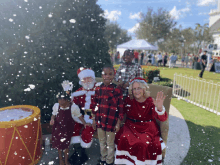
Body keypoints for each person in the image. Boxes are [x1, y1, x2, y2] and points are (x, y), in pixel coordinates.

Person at [114, 77, 168, 165]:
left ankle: (140, 162)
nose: (136, 91)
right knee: (123, 137)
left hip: (147, 127)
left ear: (143, 89)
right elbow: (121, 112)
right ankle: (127, 162)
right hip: (130, 125)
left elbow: (162, 118)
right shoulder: (129, 100)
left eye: (139, 88)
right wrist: (117, 123)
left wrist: (159, 108)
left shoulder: (150, 101)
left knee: (142, 143)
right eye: (134, 89)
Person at [50, 80, 89, 165]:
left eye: (63, 103)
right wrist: (52, 119)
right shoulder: (56, 106)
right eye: (59, 102)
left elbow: (79, 116)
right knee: (59, 145)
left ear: (68, 101)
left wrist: (85, 123)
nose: (61, 105)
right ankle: (61, 159)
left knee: (66, 145)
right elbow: (53, 114)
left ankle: (66, 160)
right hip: (58, 128)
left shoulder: (73, 107)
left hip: (67, 129)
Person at [91, 65, 124, 165]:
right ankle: (103, 159)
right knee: (102, 142)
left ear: (113, 76)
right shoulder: (98, 89)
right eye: (105, 74)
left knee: (110, 143)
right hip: (100, 121)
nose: (107, 76)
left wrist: (118, 123)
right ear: (102, 75)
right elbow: (94, 105)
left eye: (110, 74)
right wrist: (93, 120)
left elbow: (120, 108)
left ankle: (109, 161)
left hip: (111, 122)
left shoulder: (117, 90)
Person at [70, 68, 96, 164]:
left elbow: (100, 108)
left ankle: (82, 153)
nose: (87, 81)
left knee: (87, 130)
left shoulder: (97, 92)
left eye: (89, 78)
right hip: (80, 117)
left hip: (93, 119)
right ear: (81, 81)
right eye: (84, 79)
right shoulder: (77, 92)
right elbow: (74, 107)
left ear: (93, 80)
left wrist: (93, 117)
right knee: (73, 128)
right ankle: (78, 152)